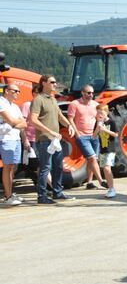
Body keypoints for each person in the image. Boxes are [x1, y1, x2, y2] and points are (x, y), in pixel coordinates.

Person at [29, 74, 76, 204]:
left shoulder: (53, 99)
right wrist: (49, 131)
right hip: (45, 140)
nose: (55, 84)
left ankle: (57, 192)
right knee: (45, 168)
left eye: (55, 82)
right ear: (44, 83)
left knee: (58, 166)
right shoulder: (38, 100)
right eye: (52, 82)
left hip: (55, 140)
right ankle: (42, 196)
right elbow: (33, 120)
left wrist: (70, 125)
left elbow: (60, 116)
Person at [67, 84, 101, 189]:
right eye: (88, 93)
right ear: (82, 93)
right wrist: (77, 134)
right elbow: (70, 119)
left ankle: (89, 182)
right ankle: (101, 181)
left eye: (92, 93)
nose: (91, 95)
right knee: (92, 158)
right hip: (82, 136)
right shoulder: (75, 104)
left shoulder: (95, 104)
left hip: (93, 136)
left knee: (91, 160)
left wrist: (97, 132)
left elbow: (99, 119)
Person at [1, 84, 27, 206]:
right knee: (8, 167)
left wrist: (13, 123)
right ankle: (8, 196)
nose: (18, 93)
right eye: (15, 91)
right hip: (6, 139)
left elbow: (24, 123)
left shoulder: (15, 107)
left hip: (15, 138)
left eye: (19, 91)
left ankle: (10, 193)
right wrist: (14, 123)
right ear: (7, 91)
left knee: (12, 167)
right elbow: (11, 120)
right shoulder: (1, 103)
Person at [93, 104, 118, 198]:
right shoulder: (98, 123)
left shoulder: (111, 122)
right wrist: (98, 126)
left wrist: (105, 130)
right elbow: (94, 136)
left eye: (101, 113)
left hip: (110, 149)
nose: (99, 115)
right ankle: (110, 188)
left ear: (107, 112)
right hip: (102, 149)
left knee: (107, 168)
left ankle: (112, 189)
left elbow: (116, 135)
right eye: (98, 113)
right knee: (105, 169)